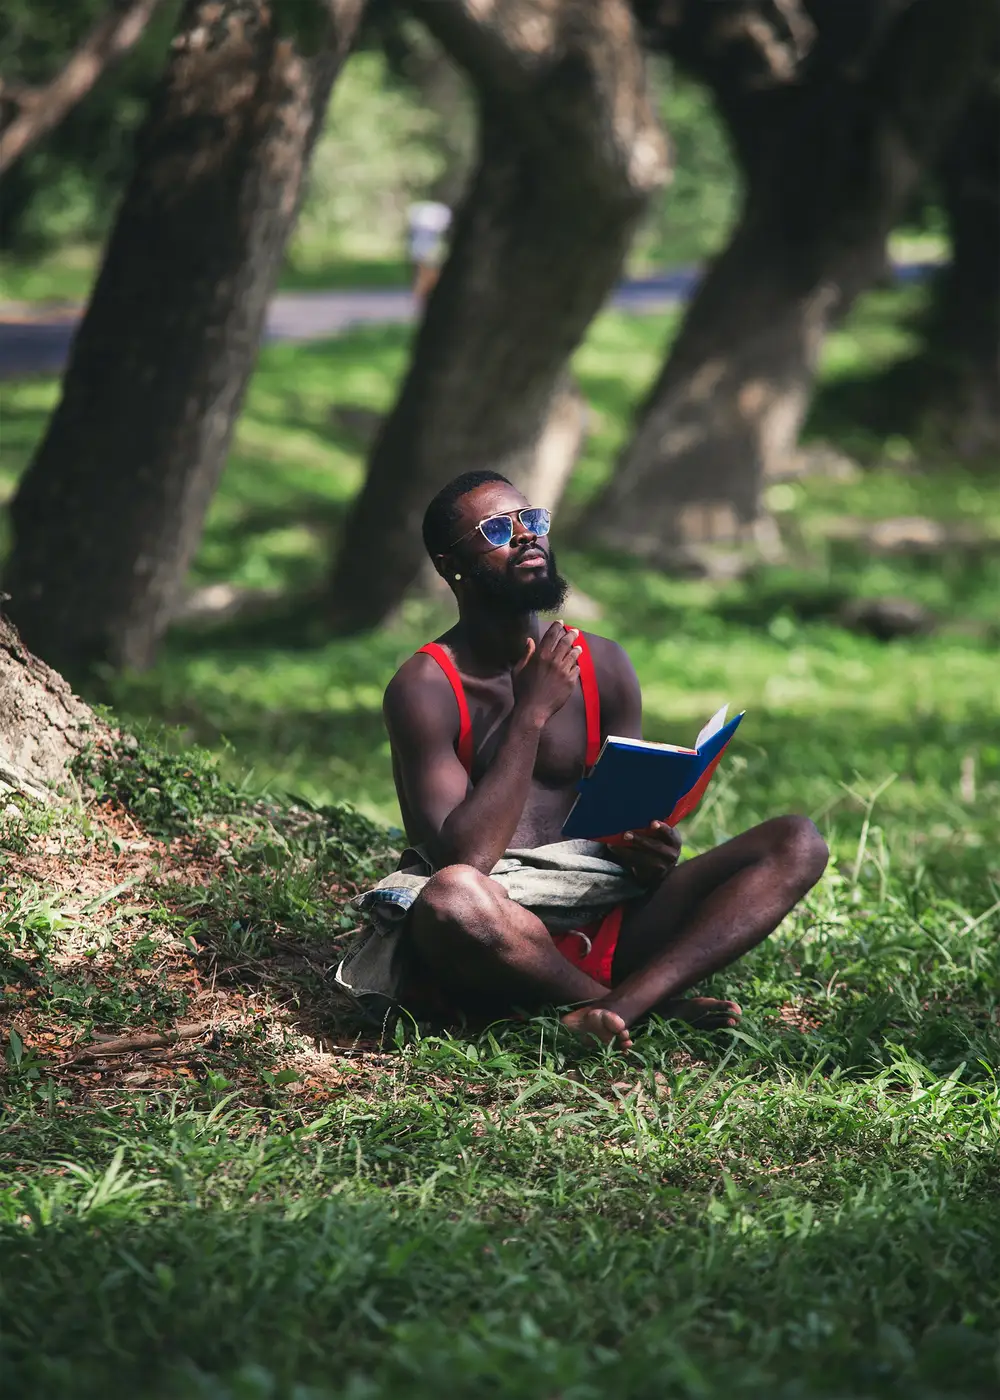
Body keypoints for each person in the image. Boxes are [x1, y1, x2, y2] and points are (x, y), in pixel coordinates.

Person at [338, 470, 829, 1049]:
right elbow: (465, 857)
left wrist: (651, 851)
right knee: (451, 898)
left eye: (533, 520)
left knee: (797, 841)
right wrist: (532, 713)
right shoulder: (426, 685)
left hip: (606, 913)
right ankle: (631, 1008)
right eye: (498, 529)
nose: (526, 536)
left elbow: (621, 824)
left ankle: (615, 1006)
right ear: (451, 567)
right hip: (497, 931)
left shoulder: (604, 664)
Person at [406, 200, 452, 303]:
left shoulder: (430, 217)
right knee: (425, 273)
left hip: (426, 250)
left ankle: (422, 294)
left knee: (426, 273)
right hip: (427, 251)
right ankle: (420, 294)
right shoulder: (436, 216)